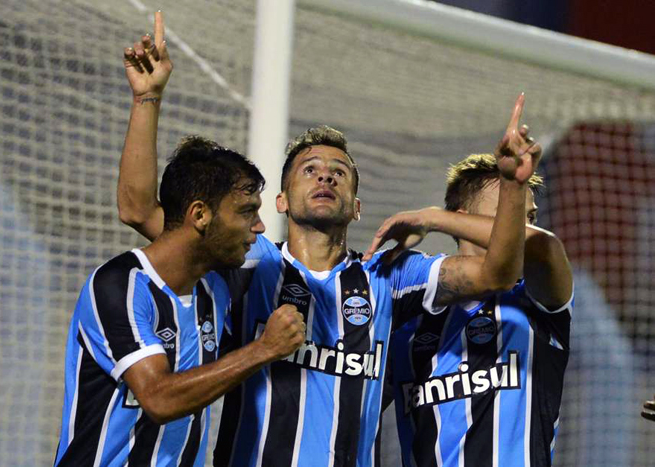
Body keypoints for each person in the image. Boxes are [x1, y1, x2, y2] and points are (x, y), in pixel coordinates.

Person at [117, 13, 540, 466]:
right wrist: (147, 98)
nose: (325, 176)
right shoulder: (249, 261)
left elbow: (500, 270)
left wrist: (512, 186)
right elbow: (139, 210)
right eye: (310, 170)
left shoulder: (389, 275)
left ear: (356, 207)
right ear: (280, 201)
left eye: (339, 173)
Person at [54, 15, 306, 466]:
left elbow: (136, 208)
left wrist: (149, 95)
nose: (261, 228)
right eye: (247, 213)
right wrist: (264, 349)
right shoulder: (119, 286)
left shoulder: (215, 291)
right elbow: (159, 398)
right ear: (199, 216)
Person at [365, 151, 573, 466]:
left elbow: (545, 248)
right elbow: (353, 411)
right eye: (508, 214)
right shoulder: (407, 328)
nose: (520, 227)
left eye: (528, 217)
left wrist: (432, 218)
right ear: (464, 219)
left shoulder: (538, 308)